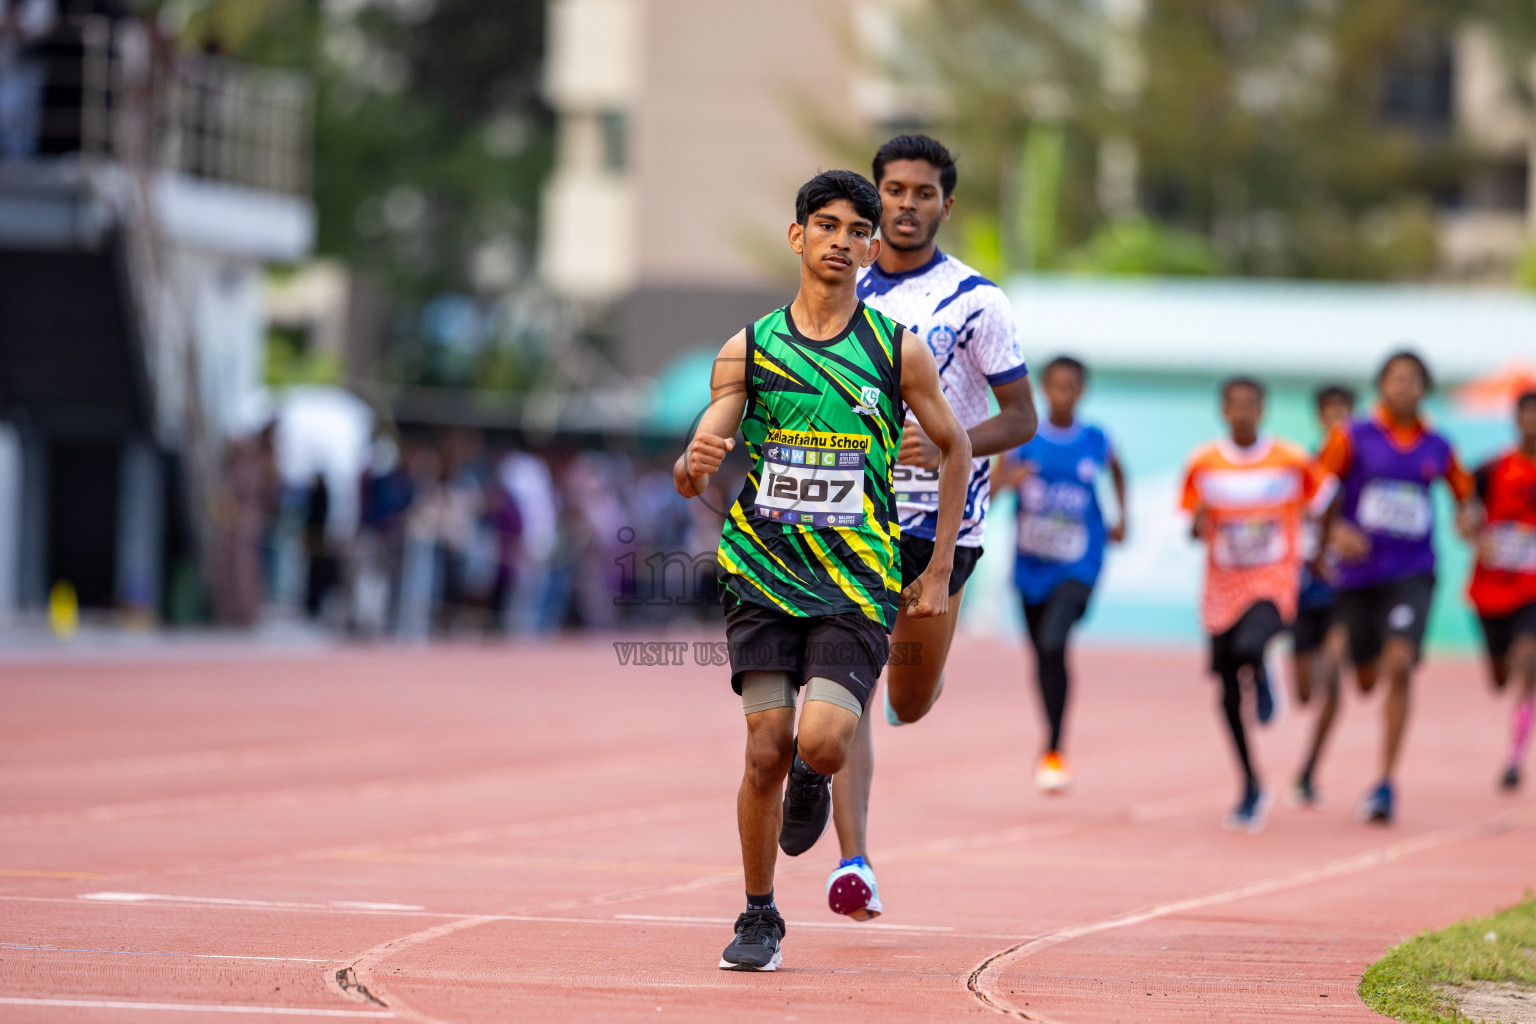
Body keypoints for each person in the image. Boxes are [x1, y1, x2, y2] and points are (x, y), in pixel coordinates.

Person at [675, 169, 971, 972]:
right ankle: (759, 915)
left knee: (826, 743)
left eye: (857, 231)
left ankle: (815, 774)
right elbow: (717, 421)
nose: (843, 241)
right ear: (799, 235)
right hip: (763, 578)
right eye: (828, 225)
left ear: (871, 247)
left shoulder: (895, 350)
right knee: (763, 749)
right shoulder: (749, 346)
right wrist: (696, 459)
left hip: (855, 583)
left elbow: (957, 446)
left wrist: (939, 566)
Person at [824, 134, 1037, 922]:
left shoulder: (978, 301)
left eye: (922, 192)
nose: (906, 205)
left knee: (906, 703)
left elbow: (1021, 418)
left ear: (947, 204)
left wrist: (951, 438)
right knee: (840, 693)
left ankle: (918, 677)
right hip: (845, 523)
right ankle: (856, 863)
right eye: (893, 190)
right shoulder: (840, 290)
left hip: (941, 531)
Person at [1316, 350, 1476, 824]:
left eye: (1414, 380)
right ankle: (1363, 663)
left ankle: (1385, 782)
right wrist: (1334, 533)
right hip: (1360, 574)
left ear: (1425, 389)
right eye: (1395, 378)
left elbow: (1465, 495)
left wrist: (1470, 523)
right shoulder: (1352, 437)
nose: (1404, 386)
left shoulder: (1438, 445)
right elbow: (1316, 489)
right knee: (1364, 676)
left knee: (1400, 664)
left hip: (1413, 571)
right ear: (1380, 385)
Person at [1182, 378, 1320, 832]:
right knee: (1224, 691)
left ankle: (1262, 674)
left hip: (1273, 578)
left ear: (1263, 409)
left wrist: (1326, 544)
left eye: (1250, 405)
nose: (1242, 412)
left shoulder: (1292, 459)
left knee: (1250, 645)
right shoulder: (1203, 463)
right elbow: (1192, 526)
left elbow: (1325, 502)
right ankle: (1250, 783)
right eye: (1234, 405)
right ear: (1223, 409)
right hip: (1222, 586)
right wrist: (1199, 523)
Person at [994, 355, 1125, 792]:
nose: (1063, 393)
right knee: (1044, 655)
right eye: (1055, 385)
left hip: (1079, 563)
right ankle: (1052, 745)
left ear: (1081, 390)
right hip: (1031, 568)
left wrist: (1122, 515)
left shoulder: (1095, 439)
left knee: (1054, 641)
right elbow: (993, 489)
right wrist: (1010, 481)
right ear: (1043, 390)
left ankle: (1053, 745)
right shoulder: (1025, 438)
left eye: (1071, 386)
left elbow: (1118, 470)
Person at [1290, 384, 1357, 807]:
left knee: (1331, 675)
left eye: (1345, 412)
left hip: (1348, 591)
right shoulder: (1303, 466)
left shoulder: (1364, 468)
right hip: (1306, 587)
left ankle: (1309, 770)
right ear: (1318, 415)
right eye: (1329, 411)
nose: (1337, 418)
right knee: (1304, 692)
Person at [1466, 390, 1536, 791]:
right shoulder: (1491, 470)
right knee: (1500, 675)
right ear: (1516, 420)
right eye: (1527, 415)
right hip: (1491, 590)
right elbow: (1467, 514)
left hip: (1532, 591)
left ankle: (1515, 756)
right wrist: (1477, 536)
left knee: (1528, 660)